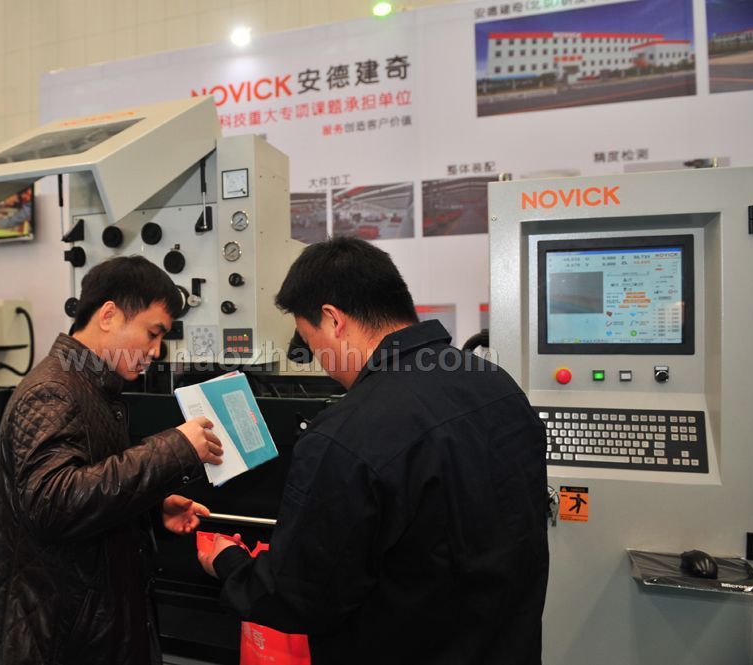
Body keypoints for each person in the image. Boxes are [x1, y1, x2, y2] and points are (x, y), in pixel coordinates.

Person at [198, 237, 548, 664]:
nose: (320, 361)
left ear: (333, 320)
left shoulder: (347, 434)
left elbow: (300, 596)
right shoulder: (498, 386)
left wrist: (229, 562)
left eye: (311, 341)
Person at [0, 256, 224, 665]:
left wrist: (150, 510)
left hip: (91, 627)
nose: (156, 350)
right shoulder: (53, 390)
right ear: (108, 315)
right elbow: (52, 502)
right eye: (152, 333)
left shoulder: (94, 389)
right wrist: (176, 448)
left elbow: (89, 490)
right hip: (56, 637)